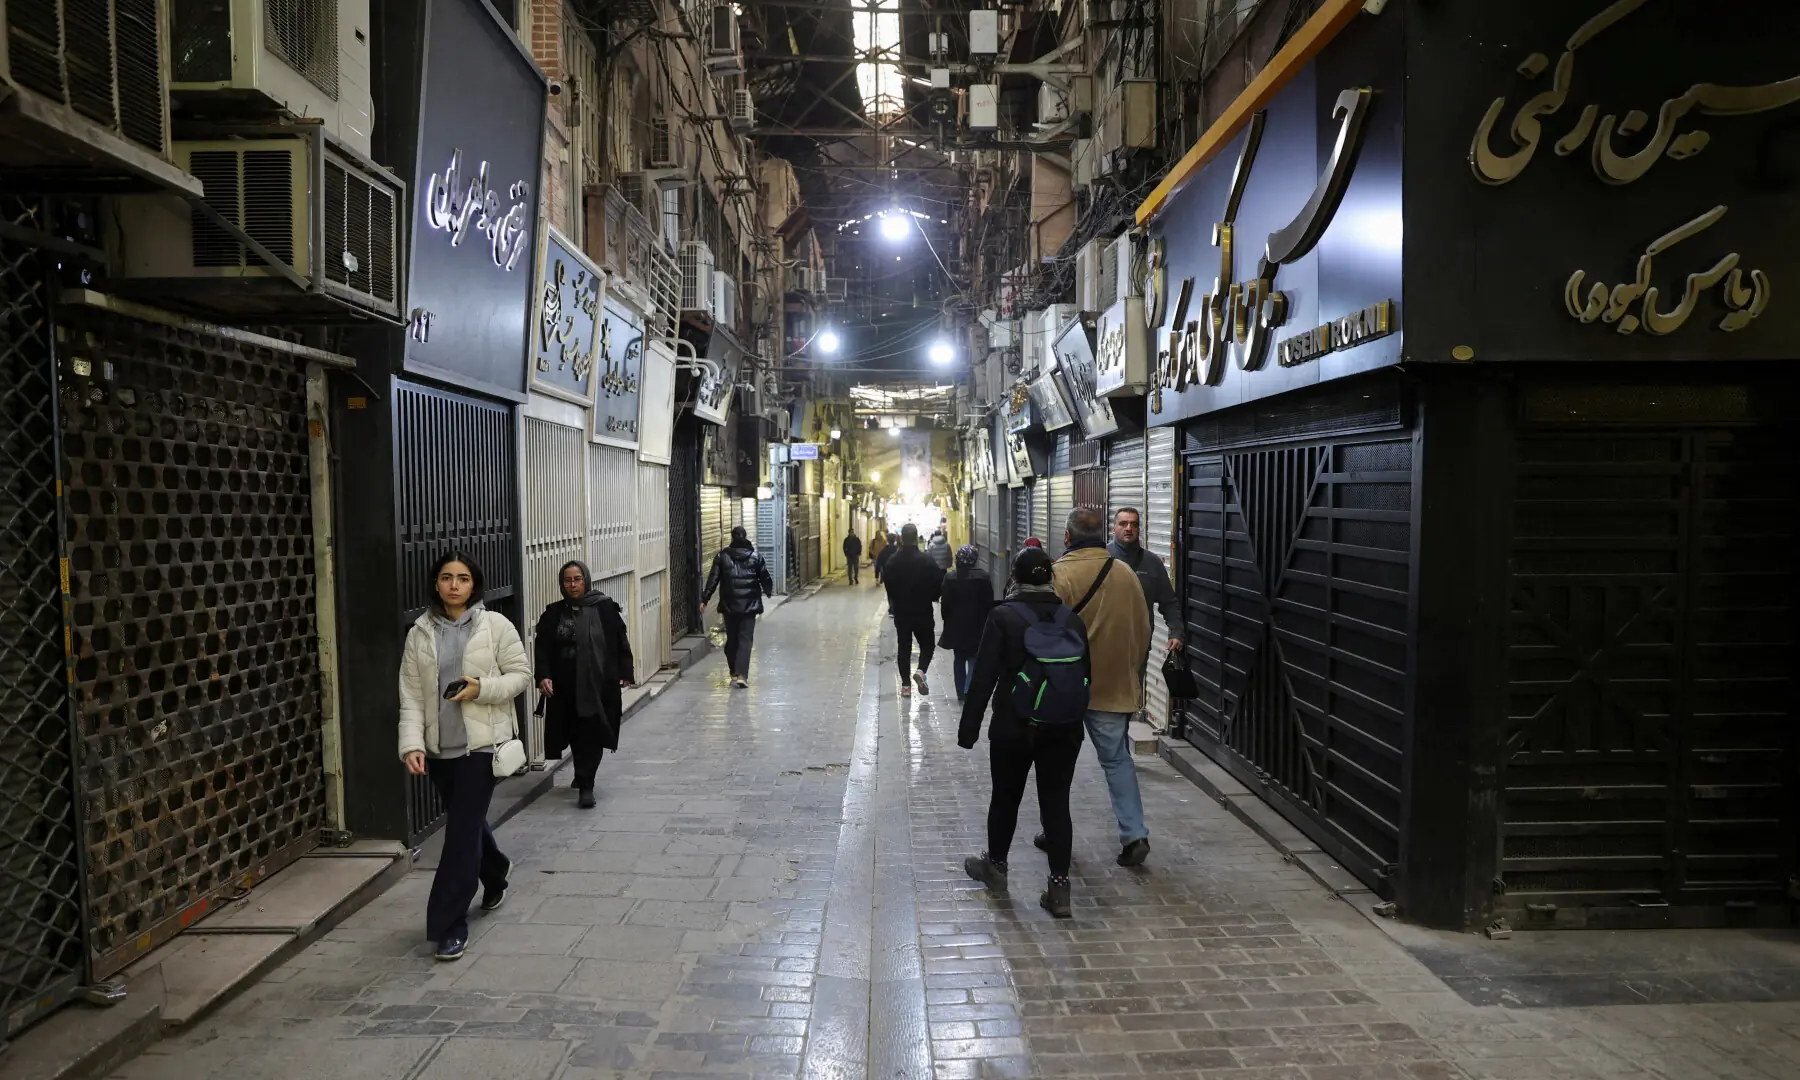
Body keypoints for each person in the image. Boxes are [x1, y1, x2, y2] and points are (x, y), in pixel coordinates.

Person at [398, 551, 531, 961]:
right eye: (446, 578)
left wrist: (480, 688)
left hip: (481, 747)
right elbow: (411, 695)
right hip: (440, 749)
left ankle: (449, 924)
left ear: (475, 584)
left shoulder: (495, 625)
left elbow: (520, 675)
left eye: (462, 578)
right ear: (435, 584)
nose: (454, 585)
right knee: (467, 824)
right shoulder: (419, 632)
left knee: (458, 837)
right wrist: (412, 744)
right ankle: (495, 872)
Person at [957, 547, 1087, 918]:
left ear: (1014, 577)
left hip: (1014, 726)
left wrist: (969, 730)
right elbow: (1085, 678)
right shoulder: (1072, 620)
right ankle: (1059, 889)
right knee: (1056, 803)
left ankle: (996, 867)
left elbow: (982, 679)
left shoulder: (1003, 617)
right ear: (1050, 577)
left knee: (1006, 797)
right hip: (1063, 727)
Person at [1050, 507, 1152, 867]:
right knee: (1117, 761)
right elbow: (1142, 631)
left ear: (1067, 537)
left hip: (1064, 689)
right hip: (1111, 686)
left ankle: (1054, 830)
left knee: (1058, 764)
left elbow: (1046, 636)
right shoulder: (1124, 572)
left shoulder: (1058, 576)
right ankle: (1134, 833)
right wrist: (1129, 672)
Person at [534, 561, 634, 809]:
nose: (573, 584)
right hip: (565, 686)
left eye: (577, 579)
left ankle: (586, 785)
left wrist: (624, 671)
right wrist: (543, 675)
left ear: (586, 580)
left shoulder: (604, 607)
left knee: (592, 731)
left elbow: (620, 639)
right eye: (568, 580)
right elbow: (543, 647)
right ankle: (581, 773)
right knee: (573, 731)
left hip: (597, 683)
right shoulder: (554, 613)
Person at [1108, 507, 1185, 702]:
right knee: (1104, 698)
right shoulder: (1101, 558)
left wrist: (1176, 632)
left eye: (1134, 524)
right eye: (1123, 524)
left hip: (1138, 643)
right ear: (1113, 529)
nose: (1128, 528)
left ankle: (1122, 729)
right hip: (1104, 641)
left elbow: (1169, 601)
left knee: (1131, 696)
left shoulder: (1151, 563)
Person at [701, 525, 774, 688]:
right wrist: (768, 591)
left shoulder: (722, 556)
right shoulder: (756, 557)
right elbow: (765, 577)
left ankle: (734, 671)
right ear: (746, 536)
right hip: (749, 606)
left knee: (732, 639)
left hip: (730, 606)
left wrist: (704, 599)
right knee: (745, 639)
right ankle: (741, 674)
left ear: (732, 538)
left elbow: (713, 579)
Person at [882, 523, 943, 696]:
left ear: (902, 539)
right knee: (928, 645)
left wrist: (896, 600)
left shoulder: (893, 561)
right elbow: (937, 584)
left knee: (904, 647)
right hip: (923, 611)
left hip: (902, 612)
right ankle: (921, 671)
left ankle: (906, 686)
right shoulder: (926, 560)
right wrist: (932, 596)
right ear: (916, 538)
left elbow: (889, 586)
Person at [938, 545, 994, 703]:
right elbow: (988, 602)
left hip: (956, 626)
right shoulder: (983, 578)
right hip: (977, 625)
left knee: (959, 659)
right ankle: (968, 689)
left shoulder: (950, 578)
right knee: (974, 659)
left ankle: (960, 693)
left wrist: (947, 620)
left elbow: (945, 604)